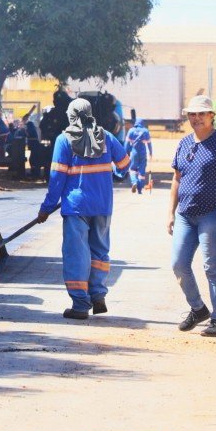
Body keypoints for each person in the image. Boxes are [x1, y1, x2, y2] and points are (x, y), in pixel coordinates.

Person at [38, 98, 128, 319]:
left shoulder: (64, 140)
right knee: (99, 252)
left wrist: (46, 207)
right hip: (102, 205)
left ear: (71, 116)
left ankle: (80, 305)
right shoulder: (106, 137)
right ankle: (98, 295)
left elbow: (56, 179)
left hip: (76, 207)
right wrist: (113, 175)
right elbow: (125, 165)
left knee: (77, 254)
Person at [168, 95, 216, 337]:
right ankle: (198, 308)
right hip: (186, 214)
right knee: (179, 264)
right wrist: (170, 213)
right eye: (192, 114)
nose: (196, 118)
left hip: (215, 212)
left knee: (212, 266)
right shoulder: (184, 143)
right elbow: (177, 179)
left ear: (211, 116)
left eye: (201, 114)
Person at [124, 119, 153, 194]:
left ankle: (134, 182)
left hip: (134, 153)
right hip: (143, 153)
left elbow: (127, 144)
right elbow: (149, 144)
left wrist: (125, 153)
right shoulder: (145, 131)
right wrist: (150, 152)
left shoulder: (131, 131)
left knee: (132, 169)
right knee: (141, 171)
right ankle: (139, 189)